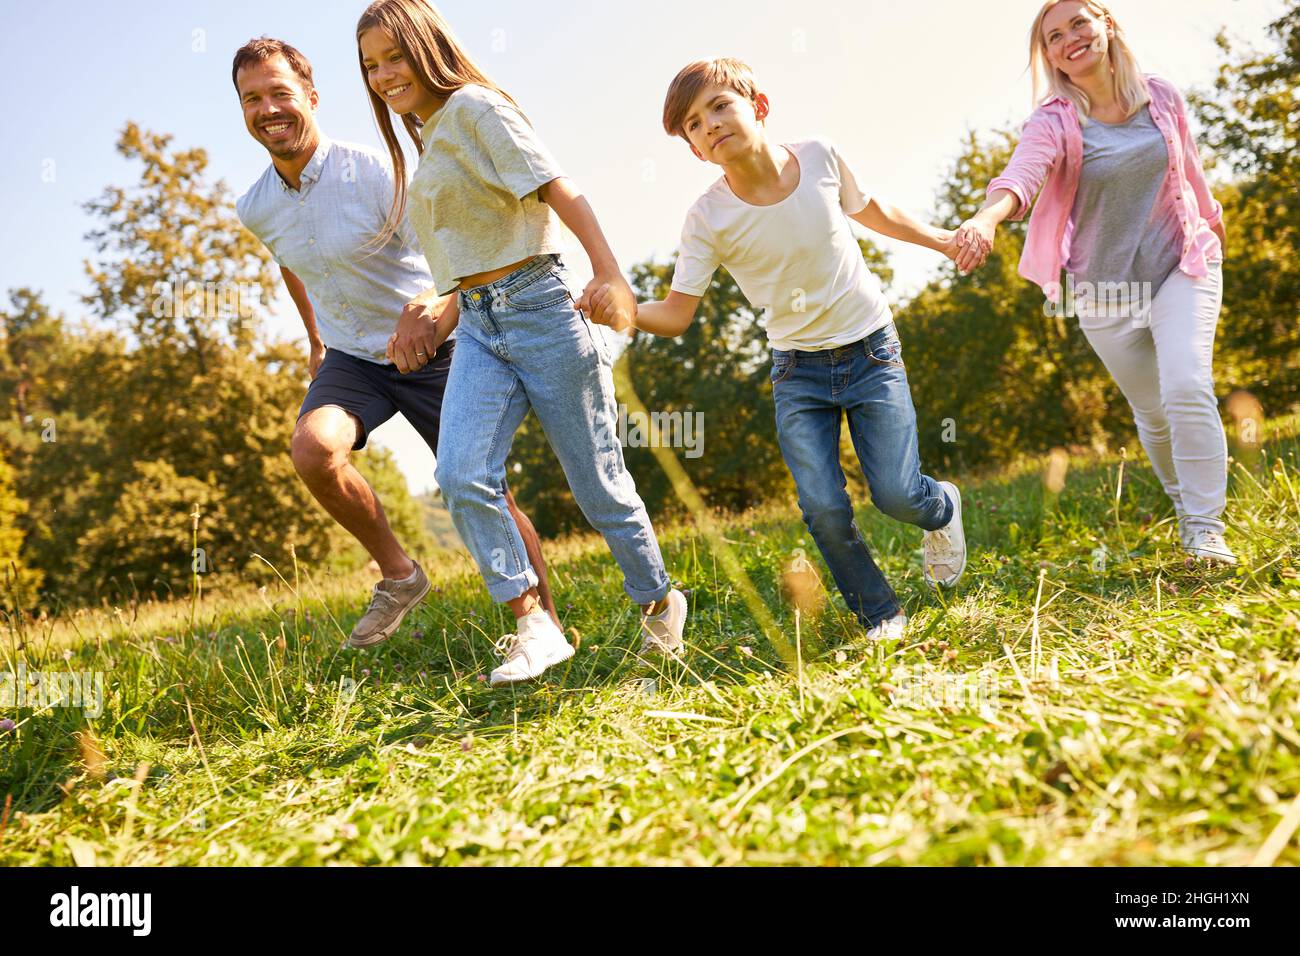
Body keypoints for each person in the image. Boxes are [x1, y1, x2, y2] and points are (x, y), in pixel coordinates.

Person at [355, 0, 687, 686]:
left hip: (542, 307)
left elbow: (561, 190)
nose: (384, 75)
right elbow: (470, 259)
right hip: (477, 325)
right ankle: (532, 622)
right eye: (371, 66)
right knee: (460, 474)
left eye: (393, 56)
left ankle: (660, 603)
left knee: (598, 486)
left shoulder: (477, 107)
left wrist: (610, 272)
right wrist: (434, 318)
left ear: (427, 47)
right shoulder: (426, 138)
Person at [617, 57, 972, 643]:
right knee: (824, 508)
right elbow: (677, 313)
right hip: (797, 372)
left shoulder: (819, 157)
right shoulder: (707, 217)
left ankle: (943, 508)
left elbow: (872, 209)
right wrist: (620, 307)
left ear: (758, 105)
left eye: (719, 107)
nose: (710, 125)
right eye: (694, 126)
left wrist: (940, 240)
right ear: (695, 151)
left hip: (871, 351)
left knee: (896, 493)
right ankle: (880, 613)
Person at [232, 36, 558, 649]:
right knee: (312, 450)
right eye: (253, 99)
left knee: (481, 487)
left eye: (280, 93)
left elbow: (461, 245)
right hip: (355, 359)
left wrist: (436, 310)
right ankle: (400, 573)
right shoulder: (256, 206)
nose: (268, 108)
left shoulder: (378, 170)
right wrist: (314, 340)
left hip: (436, 346)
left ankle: (543, 625)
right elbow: (292, 261)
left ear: (311, 97)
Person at [955, 0, 1236, 565]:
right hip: (1105, 291)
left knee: (1186, 387)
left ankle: (1206, 529)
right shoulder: (1054, 120)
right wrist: (986, 218)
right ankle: (1184, 505)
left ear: (1106, 23)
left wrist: (1214, 228)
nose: (1070, 39)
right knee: (1152, 412)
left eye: (1078, 22)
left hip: (1182, 263)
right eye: (1054, 36)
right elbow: (1022, 176)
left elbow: (1192, 172)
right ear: (1049, 54)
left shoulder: (1162, 96)